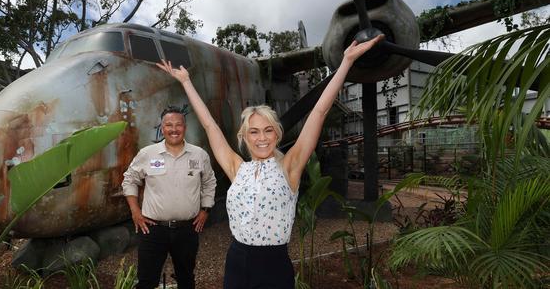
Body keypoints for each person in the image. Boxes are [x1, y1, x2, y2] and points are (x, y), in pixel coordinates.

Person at [156, 34, 384, 289]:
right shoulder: (236, 169)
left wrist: (345, 63)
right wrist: (186, 82)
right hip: (237, 261)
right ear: (244, 137)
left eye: (268, 130)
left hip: (273, 265)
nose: (261, 137)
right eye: (254, 131)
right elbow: (210, 125)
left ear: (277, 134)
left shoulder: (290, 167)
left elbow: (319, 112)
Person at [121, 106, 217, 289]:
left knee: (186, 279)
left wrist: (205, 210)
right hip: (152, 230)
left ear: (185, 127)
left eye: (178, 125)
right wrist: (135, 211)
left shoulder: (199, 155)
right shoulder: (148, 154)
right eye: (169, 125)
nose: (174, 129)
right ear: (162, 128)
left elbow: (209, 182)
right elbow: (129, 180)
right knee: (146, 281)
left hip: (187, 229)